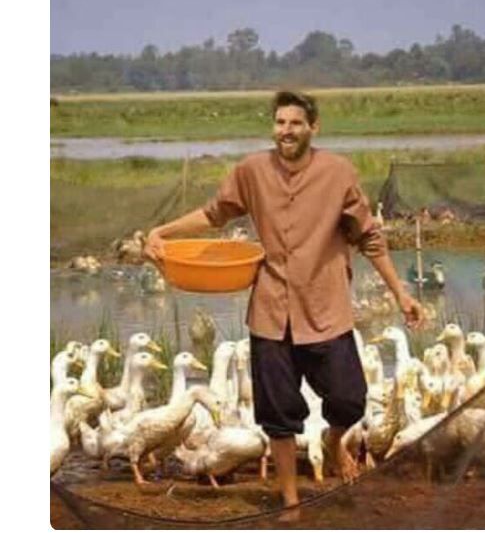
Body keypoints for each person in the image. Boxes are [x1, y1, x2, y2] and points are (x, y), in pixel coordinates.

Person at [144, 90, 426, 513]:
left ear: (314, 127)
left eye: (295, 123)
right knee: (278, 414)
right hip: (271, 312)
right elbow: (214, 213)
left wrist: (401, 294)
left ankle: (334, 443)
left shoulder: (338, 173)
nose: (286, 131)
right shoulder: (252, 171)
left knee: (349, 398)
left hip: (325, 309)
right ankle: (290, 501)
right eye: (280, 123)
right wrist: (162, 232)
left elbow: (369, 236)